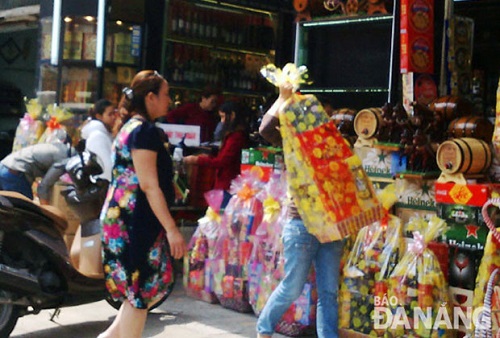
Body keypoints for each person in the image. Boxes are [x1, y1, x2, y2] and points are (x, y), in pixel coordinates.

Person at [98, 70, 187, 338]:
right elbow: (149, 185)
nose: (170, 100)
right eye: (166, 94)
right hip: (135, 223)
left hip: (121, 219)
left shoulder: (128, 128)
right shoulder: (145, 132)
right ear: (150, 97)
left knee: (134, 295)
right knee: (139, 294)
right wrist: (172, 230)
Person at [256, 83, 344, 338]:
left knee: (329, 292)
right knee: (293, 287)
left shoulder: (338, 144)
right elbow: (265, 129)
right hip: (302, 224)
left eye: (328, 116)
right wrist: (282, 98)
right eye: (319, 114)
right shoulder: (296, 139)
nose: (324, 120)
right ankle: (264, 328)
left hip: (333, 225)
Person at [183, 101, 249, 191]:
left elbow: (222, 161)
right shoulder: (235, 135)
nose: (221, 121)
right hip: (227, 182)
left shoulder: (236, 137)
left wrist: (197, 160)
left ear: (232, 115)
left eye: (223, 117)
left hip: (229, 184)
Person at [0, 131, 75, 203]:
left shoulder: (61, 148)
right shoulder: (64, 160)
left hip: (5, 167)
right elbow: (43, 187)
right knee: (26, 208)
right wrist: (47, 212)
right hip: (14, 172)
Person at [80, 99, 117, 181]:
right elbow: (106, 165)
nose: (114, 117)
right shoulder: (98, 137)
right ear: (99, 116)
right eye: (110, 114)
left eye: (114, 113)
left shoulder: (105, 134)